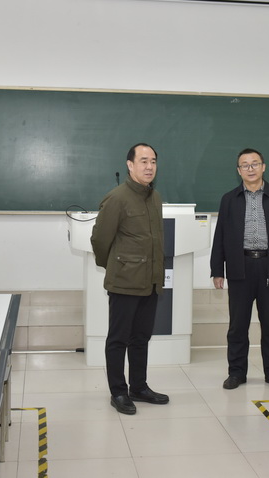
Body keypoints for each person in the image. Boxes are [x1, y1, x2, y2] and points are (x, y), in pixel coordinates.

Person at [210, 148, 269, 391]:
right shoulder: (229, 199)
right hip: (240, 267)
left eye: (255, 164)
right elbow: (220, 236)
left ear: (263, 167)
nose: (250, 169)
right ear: (238, 170)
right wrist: (217, 270)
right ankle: (236, 372)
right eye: (245, 165)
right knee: (237, 326)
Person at [90, 143, 168, 415]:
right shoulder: (117, 198)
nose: (149, 166)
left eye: (153, 161)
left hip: (151, 281)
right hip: (125, 281)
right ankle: (118, 392)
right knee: (118, 339)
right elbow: (100, 240)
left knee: (141, 337)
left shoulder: (154, 197)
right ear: (130, 165)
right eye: (143, 161)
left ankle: (139, 387)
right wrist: (116, 266)